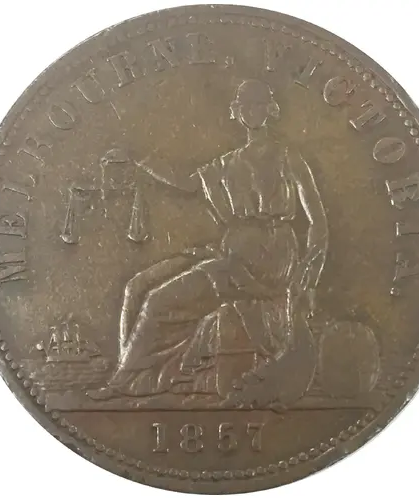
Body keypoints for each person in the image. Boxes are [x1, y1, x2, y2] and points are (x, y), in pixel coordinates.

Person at [88, 79, 328, 404]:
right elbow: (187, 182)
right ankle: (138, 380)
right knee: (150, 295)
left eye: (258, 104)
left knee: (159, 302)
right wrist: (141, 159)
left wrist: (309, 277)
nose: (251, 111)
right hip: (234, 256)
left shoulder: (289, 158)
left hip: (272, 258)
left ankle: (127, 383)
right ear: (236, 112)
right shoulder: (227, 163)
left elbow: (317, 222)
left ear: (270, 110)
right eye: (245, 105)